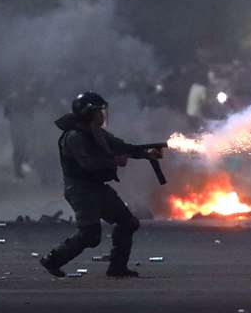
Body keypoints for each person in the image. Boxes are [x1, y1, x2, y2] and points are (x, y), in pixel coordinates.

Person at [40, 92, 163, 278]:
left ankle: (117, 268)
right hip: (81, 191)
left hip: (97, 188)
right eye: (99, 111)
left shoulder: (95, 132)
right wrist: (114, 161)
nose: (102, 115)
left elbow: (122, 147)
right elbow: (88, 164)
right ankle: (52, 260)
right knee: (90, 235)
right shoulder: (74, 137)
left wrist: (146, 153)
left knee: (128, 223)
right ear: (88, 113)